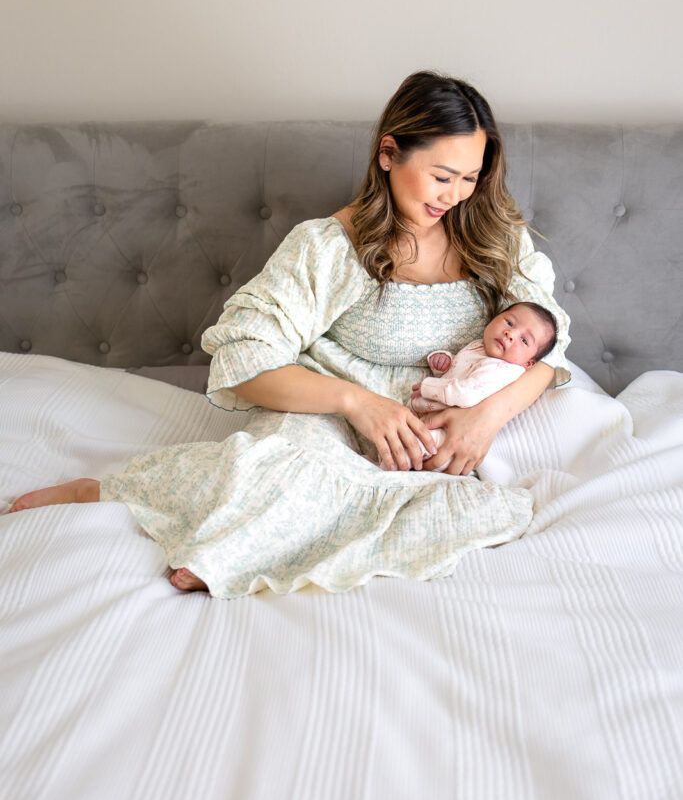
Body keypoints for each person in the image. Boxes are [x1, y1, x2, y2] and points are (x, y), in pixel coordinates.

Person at [9, 71, 571, 600]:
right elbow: (245, 357)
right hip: (335, 410)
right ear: (389, 153)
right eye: (442, 176)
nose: (454, 195)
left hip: (438, 429)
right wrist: (357, 402)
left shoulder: (495, 238)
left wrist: (487, 416)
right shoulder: (329, 247)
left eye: (470, 178)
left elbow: (551, 346)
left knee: (466, 510)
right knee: (273, 474)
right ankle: (102, 492)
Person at [381, 301, 558, 471]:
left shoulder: (503, 369)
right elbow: (459, 375)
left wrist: (428, 386)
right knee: (394, 439)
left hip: (450, 434)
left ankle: (380, 470)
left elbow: (465, 395)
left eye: (524, 340)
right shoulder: (479, 347)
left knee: (408, 449)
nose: (510, 334)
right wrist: (444, 365)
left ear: (528, 364)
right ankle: (379, 463)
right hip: (429, 416)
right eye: (509, 322)